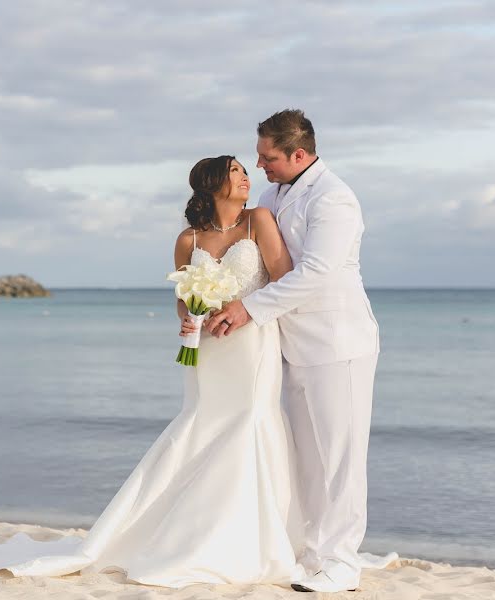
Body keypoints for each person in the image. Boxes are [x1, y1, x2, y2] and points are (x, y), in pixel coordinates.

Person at [0, 155, 307, 587]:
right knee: (203, 425)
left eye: (246, 170)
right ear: (211, 183)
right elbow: (183, 298)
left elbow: (283, 279)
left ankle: (247, 538)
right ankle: (187, 533)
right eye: (236, 171)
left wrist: (246, 310)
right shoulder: (188, 239)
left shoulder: (258, 220)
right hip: (207, 350)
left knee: (250, 423)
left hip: (251, 343)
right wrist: (189, 317)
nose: (246, 177)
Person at [206, 109, 385, 593]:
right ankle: (312, 552)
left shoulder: (335, 199)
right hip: (288, 345)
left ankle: (343, 562)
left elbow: (316, 273)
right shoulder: (269, 195)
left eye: (268, 158)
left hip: (337, 342)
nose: (260, 165)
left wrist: (247, 310)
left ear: (299, 154)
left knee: (341, 458)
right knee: (306, 457)